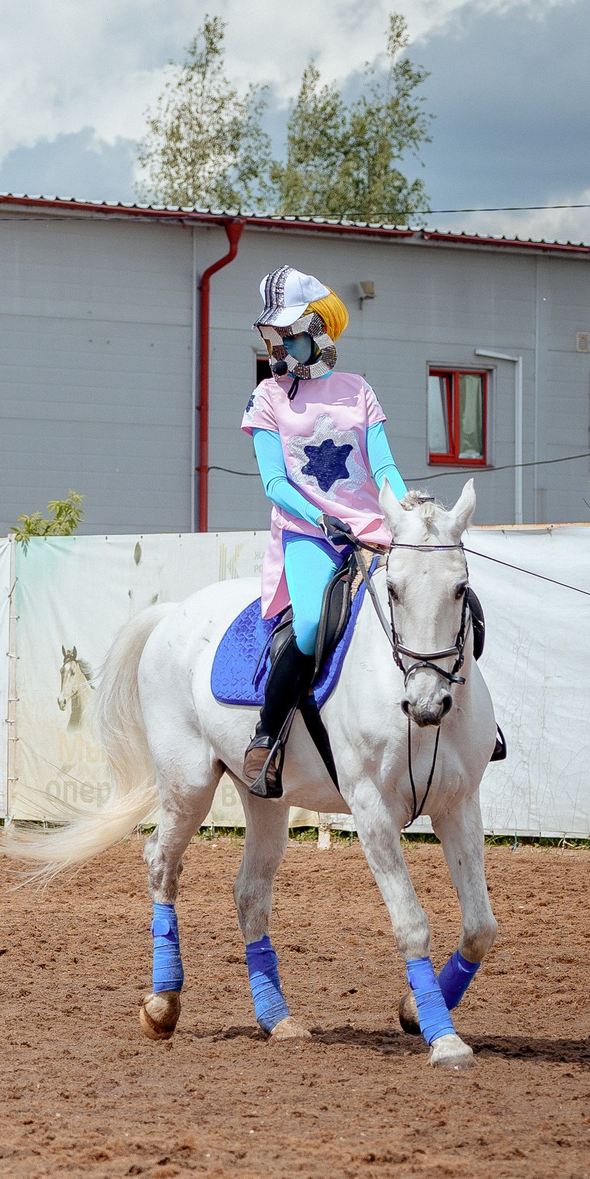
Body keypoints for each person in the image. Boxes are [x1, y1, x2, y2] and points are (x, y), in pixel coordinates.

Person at [239, 265, 409, 798]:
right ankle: (267, 737)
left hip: (373, 531)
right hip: (308, 533)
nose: (279, 347)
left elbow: (384, 467)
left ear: (317, 329)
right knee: (311, 624)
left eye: (288, 335)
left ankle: (471, 730)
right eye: (274, 336)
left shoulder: (359, 390)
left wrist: (408, 515)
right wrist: (320, 519)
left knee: (439, 597)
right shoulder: (266, 397)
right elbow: (273, 482)